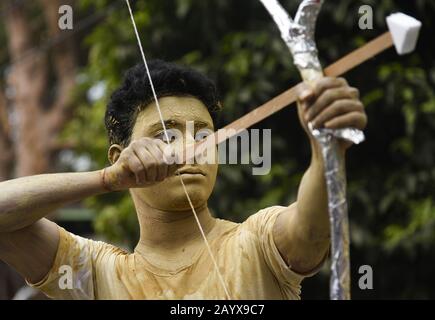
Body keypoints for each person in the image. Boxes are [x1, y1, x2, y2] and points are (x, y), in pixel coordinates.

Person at [0, 60, 367, 299]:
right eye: (166, 135)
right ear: (120, 157)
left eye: (204, 136)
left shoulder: (256, 242)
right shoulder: (98, 274)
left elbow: (310, 231)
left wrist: (325, 152)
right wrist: (107, 180)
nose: (192, 149)